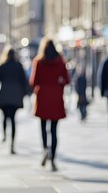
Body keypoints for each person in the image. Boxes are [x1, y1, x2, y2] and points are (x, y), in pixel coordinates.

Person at [29, 37, 70, 171]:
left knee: (42, 126)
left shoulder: (39, 61)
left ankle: (45, 149)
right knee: (54, 129)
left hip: (42, 98)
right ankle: (53, 157)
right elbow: (67, 80)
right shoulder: (60, 62)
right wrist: (59, 83)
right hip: (56, 97)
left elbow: (34, 81)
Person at [0, 45, 28, 154]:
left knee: (4, 116)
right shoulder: (19, 66)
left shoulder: (2, 66)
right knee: (13, 119)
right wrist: (24, 93)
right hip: (16, 95)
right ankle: (12, 143)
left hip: (5, 95)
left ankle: (4, 135)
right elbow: (24, 81)